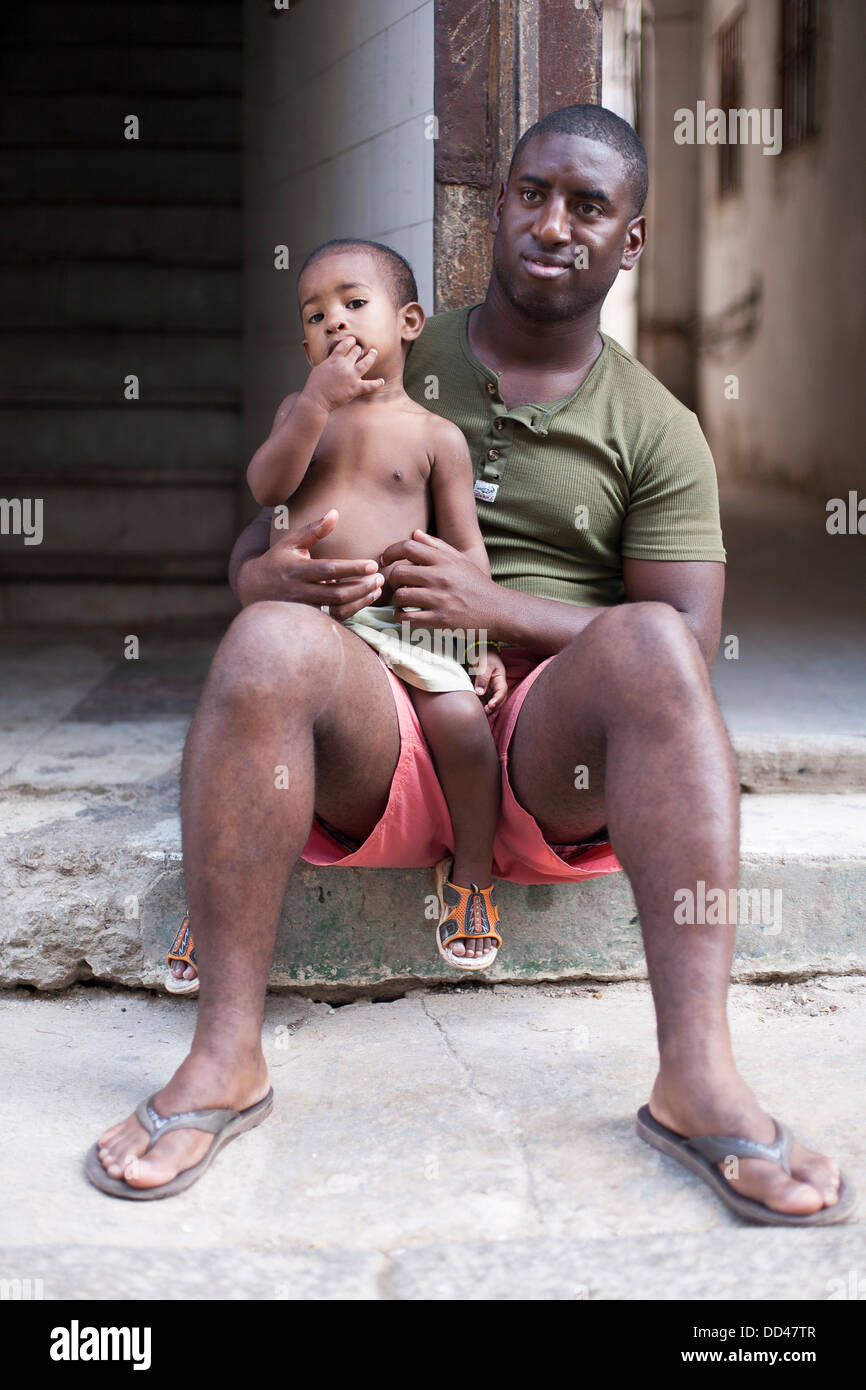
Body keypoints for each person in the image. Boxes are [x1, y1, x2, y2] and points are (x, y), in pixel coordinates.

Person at [92, 104, 854, 1225]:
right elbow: (262, 533)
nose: (552, 224)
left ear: (627, 241)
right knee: (262, 640)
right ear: (494, 208)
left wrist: (493, 607)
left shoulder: (655, 425)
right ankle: (224, 1058)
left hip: (549, 757)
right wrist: (266, 580)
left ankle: (696, 1075)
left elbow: (686, 648)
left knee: (644, 639)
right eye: (531, 193)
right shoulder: (385, 348)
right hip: (383, 722)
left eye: (587, 206)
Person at [248, 237, 506, 970]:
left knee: (462, 723)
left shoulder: (436, 437)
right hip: (311, 626)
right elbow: (267, 486)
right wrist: (313, 404)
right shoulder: (303, 414)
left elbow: (466, 551)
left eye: (355, 304)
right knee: (255, 737)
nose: (335, 321)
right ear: (304, 342)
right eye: (316, 314)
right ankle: (226, 893)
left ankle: (473, 877)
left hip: (405, 622)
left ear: (411, 322)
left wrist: (477, 637)